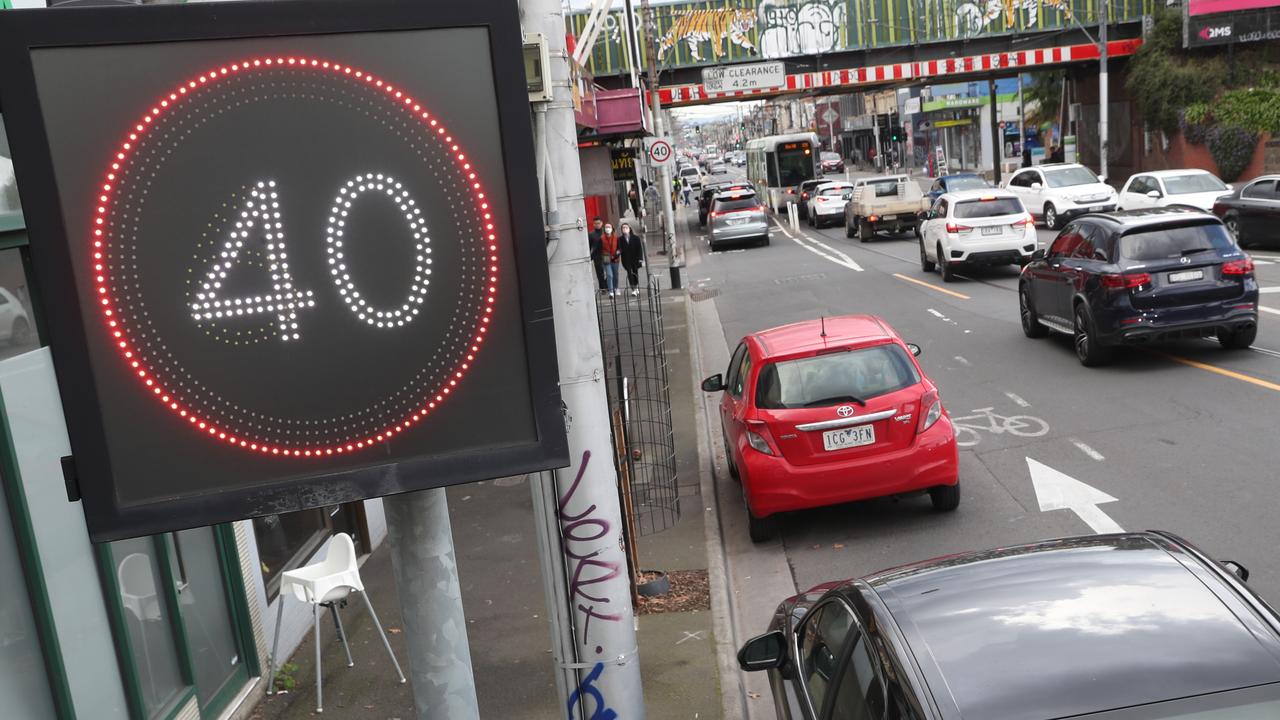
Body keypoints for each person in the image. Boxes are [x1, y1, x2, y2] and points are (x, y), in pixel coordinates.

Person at [618, 222, 644, 296]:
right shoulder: (620, 239)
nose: (625, 229)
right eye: (623, 228)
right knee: (629, 273)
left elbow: (639, 249)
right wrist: (618, 252)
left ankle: (636, 286)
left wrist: (640, 258)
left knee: (635, 273)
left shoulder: (636, 238)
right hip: (626, 259)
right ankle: (633, 289)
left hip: (635, 259)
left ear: (629, 229)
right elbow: (620, 248)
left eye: (626, 227)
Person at [587, 216, 606, 291]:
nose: (597, 225)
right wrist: (589, 257)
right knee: (600, 273)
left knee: (608, 271)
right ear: (593, 224)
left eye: (599, 223)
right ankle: (602, 288)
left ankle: (608, 286)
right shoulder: (591, 235)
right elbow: (589, 246)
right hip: (596, 256)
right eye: (595, 223)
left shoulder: (605, 232)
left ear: (602, 223)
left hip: (606, 255)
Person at [601, 222, 620, 296]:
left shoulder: (616, 238)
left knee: (615, 274)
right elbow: (598, 248)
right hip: (606, 259)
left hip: (615, 259)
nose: (607, 229)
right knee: (609, 275)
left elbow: (619, 248)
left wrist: (617, 254)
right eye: (606, 227)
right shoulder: (602, 238)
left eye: (609, 227)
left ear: (612, 229)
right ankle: (611, 291)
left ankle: (616, 288)